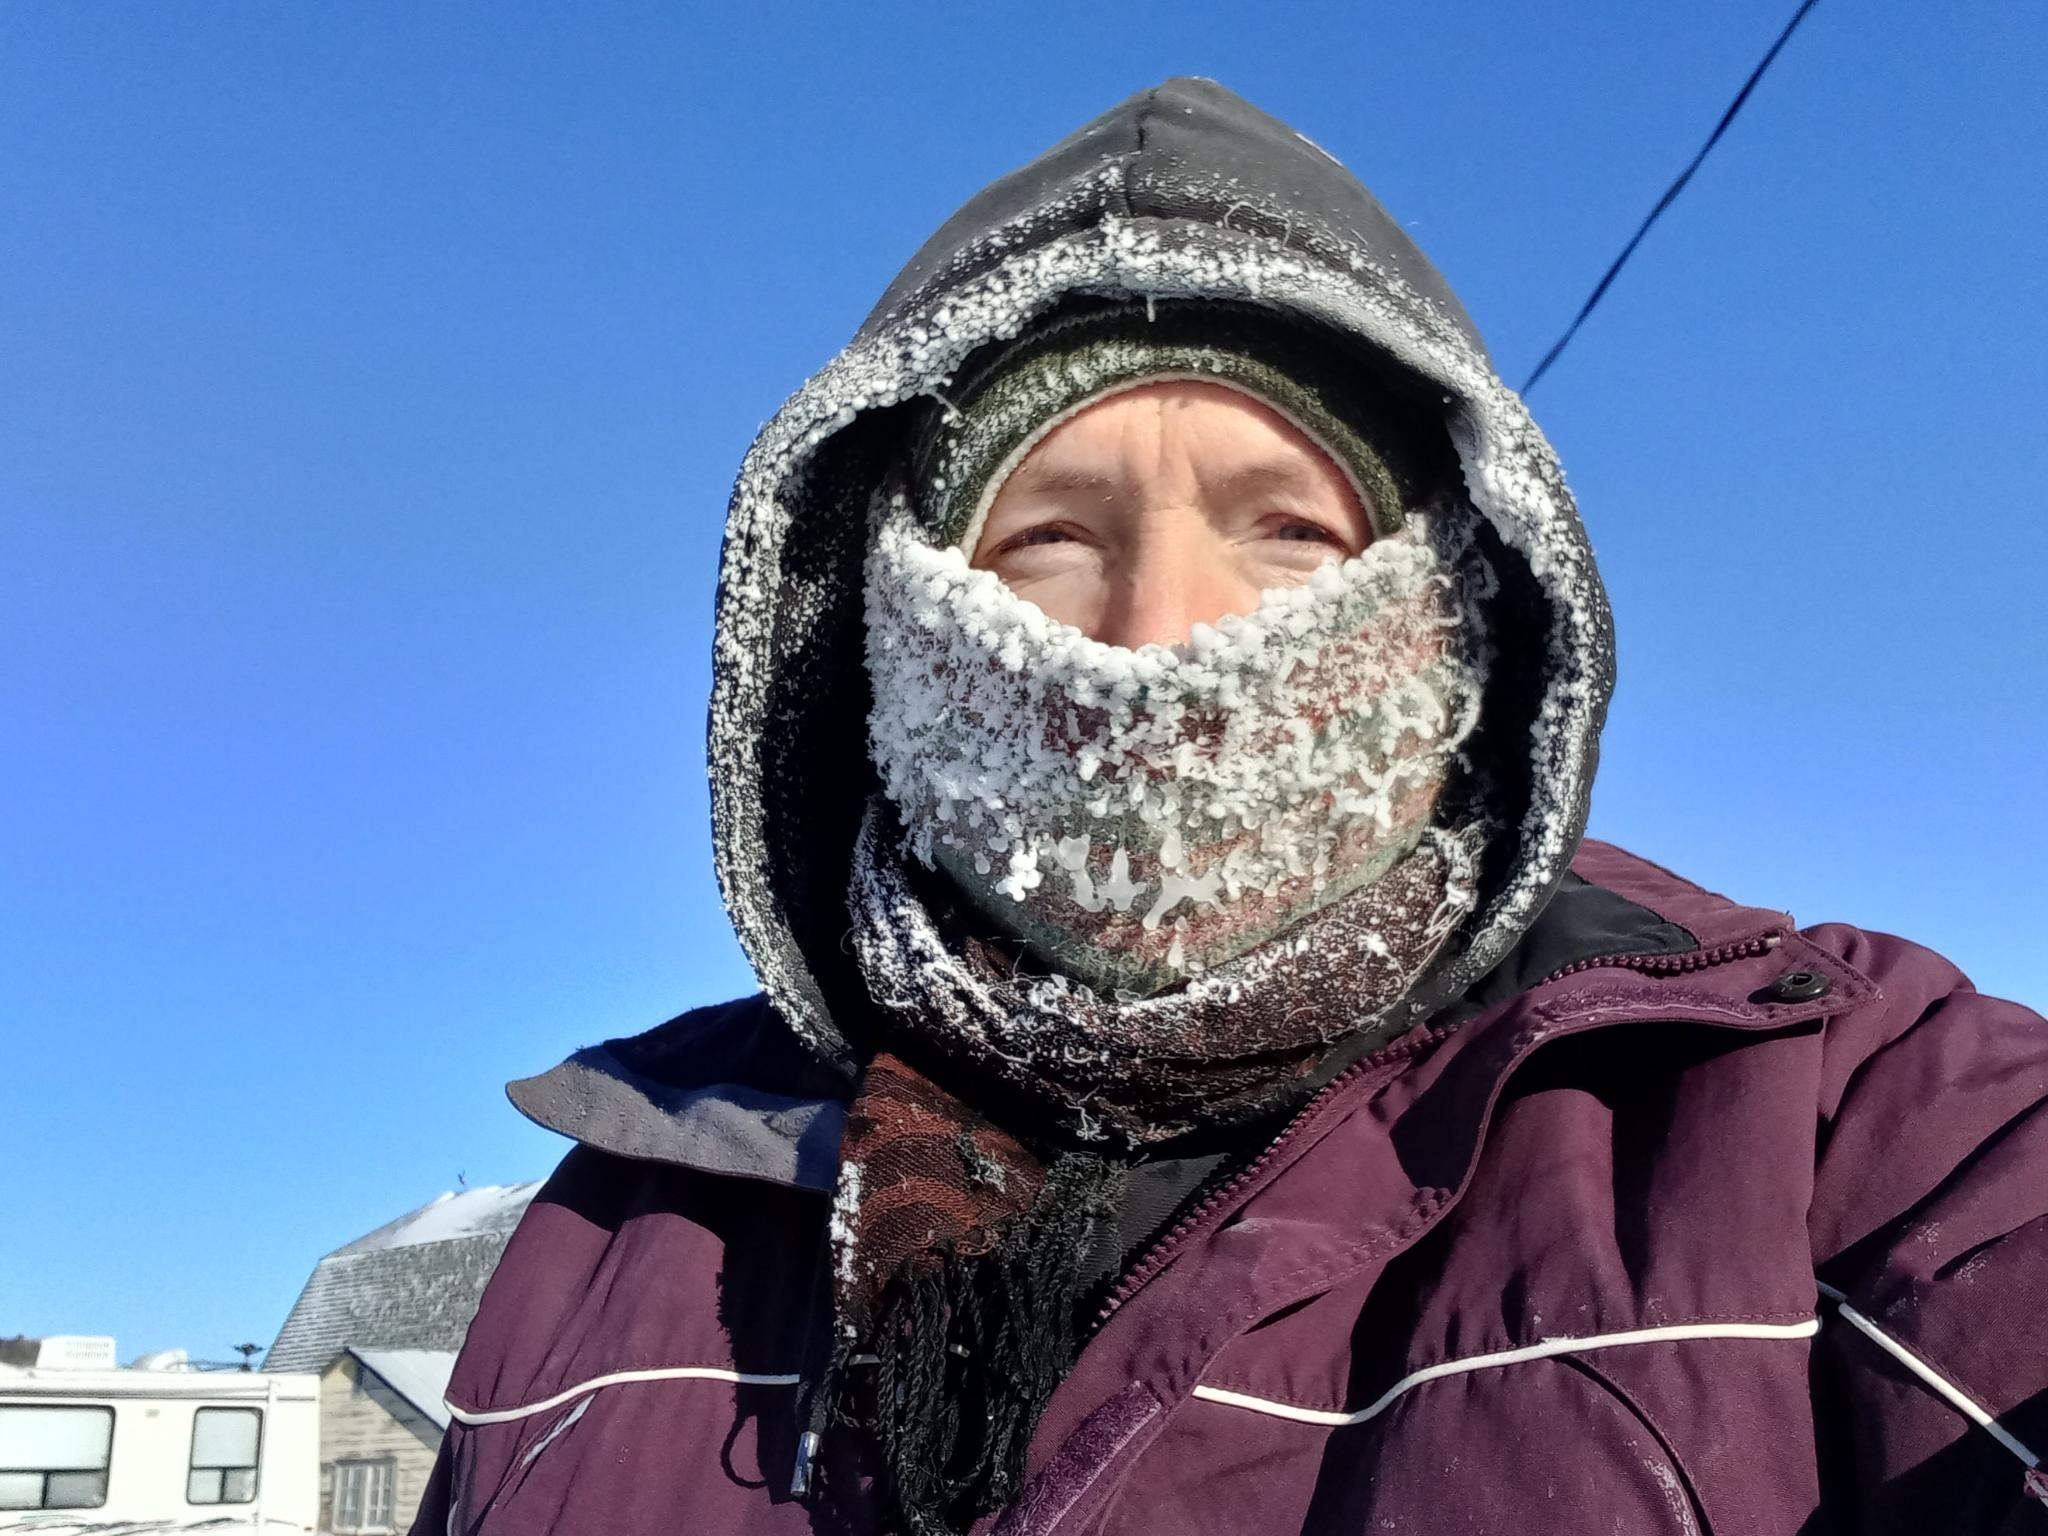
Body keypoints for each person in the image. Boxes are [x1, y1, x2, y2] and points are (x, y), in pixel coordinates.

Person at [411, 79, 2048, 1535]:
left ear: (1459, 616)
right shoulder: (631, 1214)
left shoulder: (1825, 1106)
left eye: (1289, 533)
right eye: (1048, 538)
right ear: (886, 639)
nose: (1159, 637)